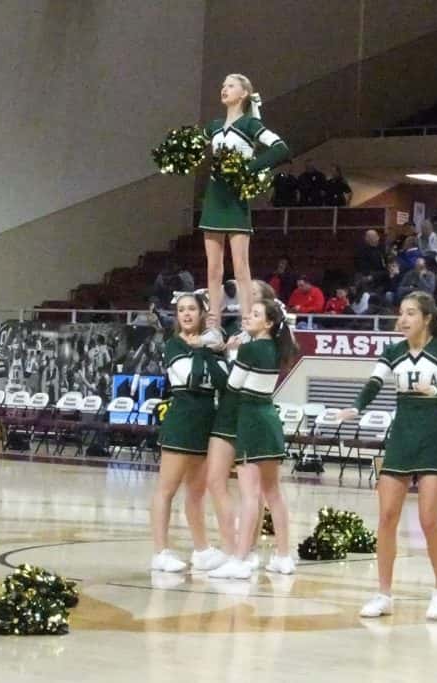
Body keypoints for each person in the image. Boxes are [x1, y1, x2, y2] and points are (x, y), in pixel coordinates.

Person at [339, 293, 437, 620]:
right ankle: (383, 595)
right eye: (401, 313)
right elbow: (374, 383)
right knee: (387, 517)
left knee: (428, 520)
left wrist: (434, 390)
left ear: (427, 318)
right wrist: (356, 408)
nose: (403, 319)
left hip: (433, 435)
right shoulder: (393, 351)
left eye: (411, 313)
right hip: (402, 435)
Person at [208, 299, 300, 579]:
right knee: (273, 493)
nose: (248, 316)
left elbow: (232, 385)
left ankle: (239, 559)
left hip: (251, 421)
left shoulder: (251, 348)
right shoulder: (276, 348)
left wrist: (231, 353)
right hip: (269, 420)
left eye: (256, 314)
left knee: (250, 494)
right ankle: (283, 557)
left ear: (268, 323)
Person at [199, 74, 289, 348]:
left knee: (240, 267)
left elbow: (280, 149)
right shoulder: (214, 126)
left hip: (236, 198)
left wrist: (247, 170)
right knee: (213, 270)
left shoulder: (250, 124)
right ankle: (214, 328)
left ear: (244, 93)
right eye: (222, 85)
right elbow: (190, 149)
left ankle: (247, 327)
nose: (224, 88)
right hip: (214, 197)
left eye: (230, 85)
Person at [150, 293, 227, 573]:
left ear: (201, 313)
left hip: (207, 423)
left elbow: (223, 381)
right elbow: (191, 379)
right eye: (181, 309)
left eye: (191, 308)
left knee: (196, 492)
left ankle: (202, 549)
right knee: (167, 489)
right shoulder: (174, 345)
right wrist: (204, 350)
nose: (186, 314)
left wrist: (207, 348)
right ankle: (160, 552)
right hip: (182, 421)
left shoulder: (212, 346)